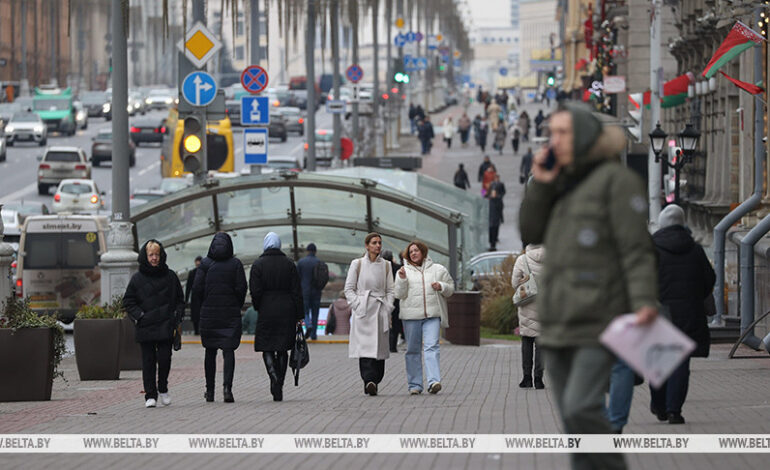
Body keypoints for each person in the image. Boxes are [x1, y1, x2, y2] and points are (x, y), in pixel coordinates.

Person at [519, 102, 658, 470]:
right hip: (558, 318)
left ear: (583, 136)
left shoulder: (616, 182)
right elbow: (531, 232)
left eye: (564, 132)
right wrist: (540, 186)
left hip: (600, 316)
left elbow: (636, 250)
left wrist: (644, 300)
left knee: (582, 406)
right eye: (553, 133)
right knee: (573, 423)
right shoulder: (556, 183)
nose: (555, 141)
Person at [650, 204, 716, 425]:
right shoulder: (695, 249)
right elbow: (709, 280)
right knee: (680, 363)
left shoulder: (652, 248)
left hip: (659, 312)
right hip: (689, 313)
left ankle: (659, 404)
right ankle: (674, 410)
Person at [122, 239, 185, 408]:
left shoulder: (170, 276)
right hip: (146, 326)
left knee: (165, 359)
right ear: (146, 256)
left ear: (161, 255)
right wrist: (140, 316)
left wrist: (176, 316)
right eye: (151, 255)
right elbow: (128, 301)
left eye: (157, 254)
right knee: (148, 362)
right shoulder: (137, 279)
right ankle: (150, 395)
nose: (154, 258)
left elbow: (180, 299)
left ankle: (163, 388)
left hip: (165, 325)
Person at [192, 232, 247, 403]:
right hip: (229, 314)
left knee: (210, 351)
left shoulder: (205, 264)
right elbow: (241, 289)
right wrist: (234, 304)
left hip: (209, 314)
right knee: (228, 351)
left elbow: (197, 290)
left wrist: (205, 305)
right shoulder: (235, 264)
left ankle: (209, 391)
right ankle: (227, 389)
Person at [249, 232, 304, 402]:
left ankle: (272, 375)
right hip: (286, 309)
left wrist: (259, 306)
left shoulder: (258, 265)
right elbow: (296, 291)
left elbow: (255, 291)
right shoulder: (289, 264)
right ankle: (279, 382)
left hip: (266, 309)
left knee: (267, 346)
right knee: (282, 348)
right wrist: (299, 314)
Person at [394, 240, 454, 395]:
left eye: (416, 250)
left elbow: (450, 289)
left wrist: (441, 286)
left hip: (432, 316)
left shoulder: (438, 269)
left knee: (432, 347)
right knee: (413, 350)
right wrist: (401, 279)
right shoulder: (403, 271)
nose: (413, 253)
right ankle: (415, 384)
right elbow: (399, 294)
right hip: (411, 317)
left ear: (423, 252)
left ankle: (434, 381)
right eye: (411, 251)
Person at [344, 232, 395, 396]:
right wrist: (357, 305)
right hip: (363, 310)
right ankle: (369, 380)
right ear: (367, 246)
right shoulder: (357, 264)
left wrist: (388, 306)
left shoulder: (386, 265)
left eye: (379, 243)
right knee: (365, 348)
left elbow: (390, 289)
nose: (378, 246)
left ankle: (376, 380)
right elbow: (348, 288)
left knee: (379, 348)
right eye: (374, 243)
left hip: (380, 309)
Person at [512, 245, 545, 389]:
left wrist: (523, 282)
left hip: (527, 303)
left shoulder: (522, 259)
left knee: (527, 340)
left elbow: (514, 283)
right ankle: (539, 379)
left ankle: (526, 378)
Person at [297, 243, 322, 340]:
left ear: (307, 251)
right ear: (315, 251)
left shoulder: (301, 262)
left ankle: (308, 325)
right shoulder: (319, 262)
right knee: (315, 313)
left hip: (305, 291)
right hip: (317, 291)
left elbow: (297, 278)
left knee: (305, 311)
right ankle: (314, 335)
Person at [382, 250, 403, 354]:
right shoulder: (398, 268)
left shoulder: (381, 268)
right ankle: (393, 346)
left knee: (382, 322)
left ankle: (383, 345)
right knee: (395, 323)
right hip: (396, 299)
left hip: (383, 298)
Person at [184, 255, 203, 335]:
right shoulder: (204, 272)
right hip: (199, 298)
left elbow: (188, 287)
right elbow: (188, 287)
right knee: (197, 315)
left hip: (197, 298)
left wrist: (186, 299)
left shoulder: (192, 273)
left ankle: (197, 331)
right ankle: (197, 331)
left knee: (196, 315)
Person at [488, 184, 504, 251]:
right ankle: (491, 243)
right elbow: (482, 194)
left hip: (496, 218)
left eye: (494, 193)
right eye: (492, 193)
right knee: (490, 232)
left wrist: (501, 218)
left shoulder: (498, 200)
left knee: (495, 232)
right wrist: (484, 189)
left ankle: (493, 245)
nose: (493, 194)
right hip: (490, 218)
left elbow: (500, 210)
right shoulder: (489, 200)